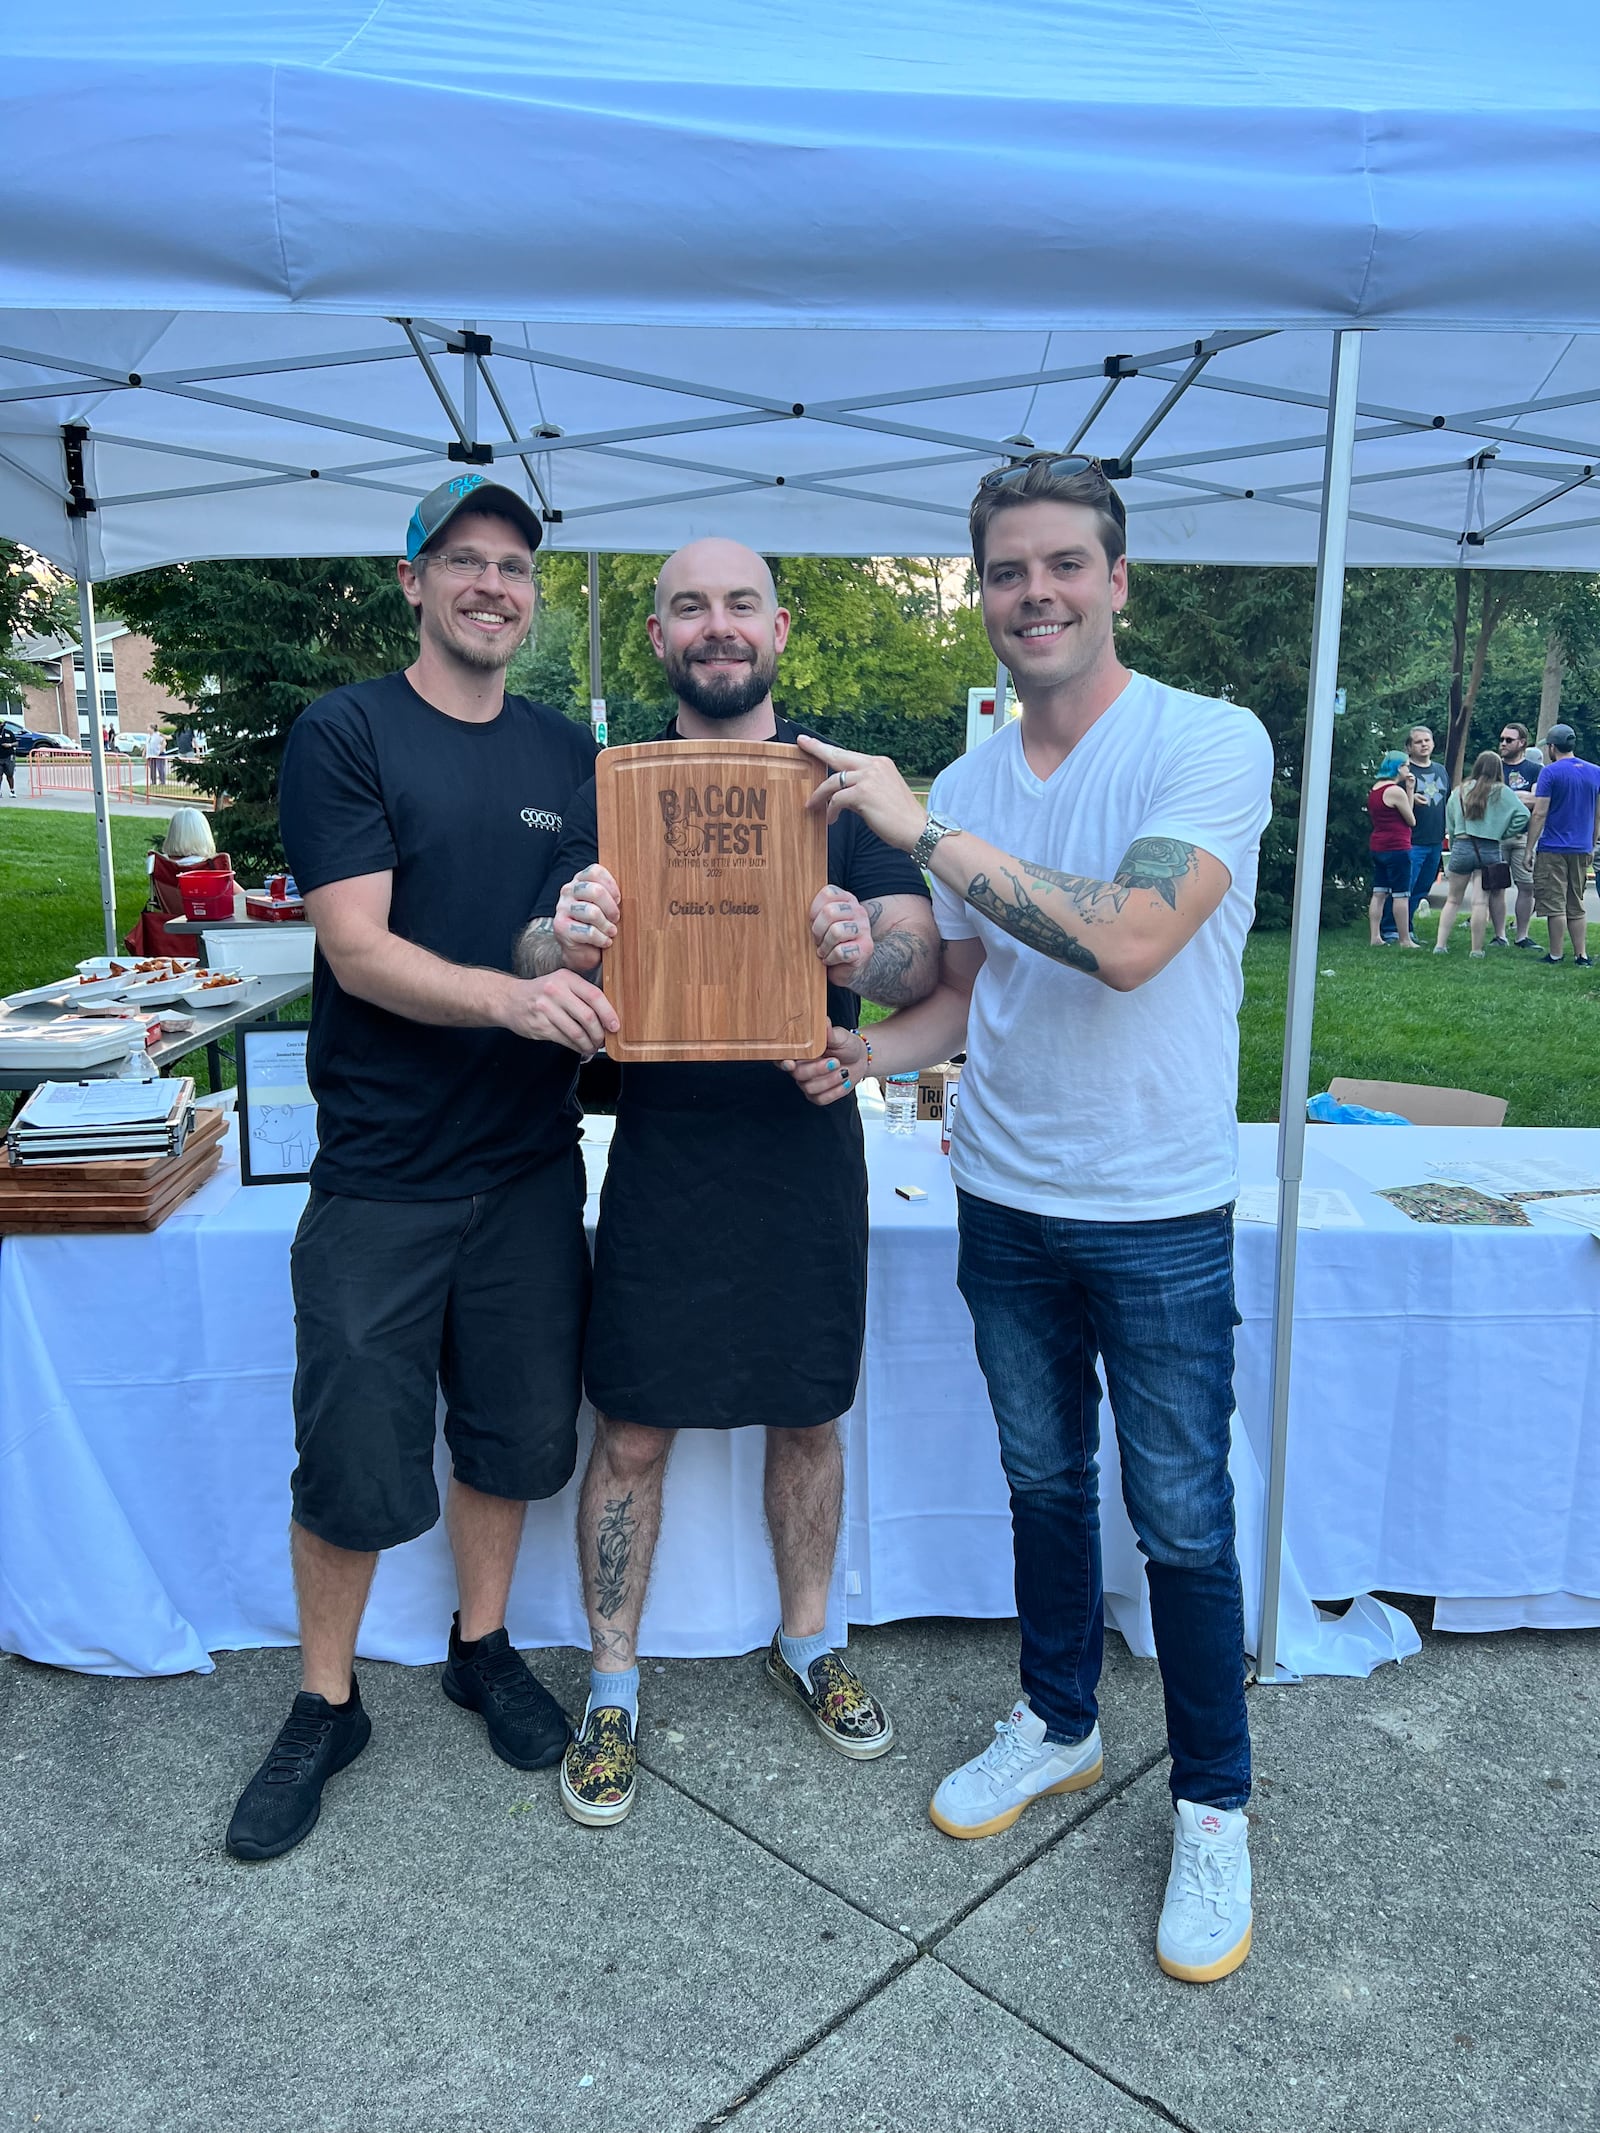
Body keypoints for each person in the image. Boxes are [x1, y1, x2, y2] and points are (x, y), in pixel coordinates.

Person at [784, 454, 1273, 1985]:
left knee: (1182, 1517)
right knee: (1046, 1484)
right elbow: (966, 992)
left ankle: (1212, 1803)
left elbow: (1127, 940)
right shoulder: (988, 777)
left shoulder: (1209, 739)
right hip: (1005, 1195)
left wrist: (919, 835)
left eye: (1066, 564)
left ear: (1118, 581)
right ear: (982, 594)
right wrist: (869, 1041)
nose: (1037, 594)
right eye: (1008, 571)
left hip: (1158, 1207)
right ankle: (1058, 1719)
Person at [225, 474, 618, 1863]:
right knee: (348, 1456)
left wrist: (571, 949)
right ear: (413, 579)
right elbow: (358, 948)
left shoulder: (568, 753)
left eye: (514, 566)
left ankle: (482, 1642)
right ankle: (325, 1702)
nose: (493, 586)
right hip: (382, 1176)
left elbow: (553, 941)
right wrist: (517, 1001)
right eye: (466, 560)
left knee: (514, 1435)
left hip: (524, 1168)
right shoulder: (347, 732)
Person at [519, 538, 939, 1829]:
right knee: (636, 1426)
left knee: (808, 1415)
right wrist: (566, 929)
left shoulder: (838, 789)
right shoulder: (622, 789)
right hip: (662, 1152)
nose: (717, 625)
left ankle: (810, 1641)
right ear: (657, 638)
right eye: (689, 606)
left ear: (781, 626)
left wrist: (865, 948)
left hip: (804, 1147)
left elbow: (916, 959)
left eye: (739, 603)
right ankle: (613, 1684)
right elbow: (537, 947)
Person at [1435, 752, 1529, 957]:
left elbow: (1449, 822)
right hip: (1489, 848)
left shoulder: (1459, 791)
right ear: (1498, 770)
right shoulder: (1502, 792)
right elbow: (1524, 815)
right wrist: (1504, 832)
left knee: (1452, 900)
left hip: (1462, 845)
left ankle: (1440, 945)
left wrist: (1454, 838)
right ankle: (1476, 949)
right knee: (1480, 902)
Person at [1525, 723, 1600, 967]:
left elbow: (1540, 813)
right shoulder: (1595, 771)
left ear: (1551, 747)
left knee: (1554, 903)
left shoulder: (1550, 772)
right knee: (1575, 902)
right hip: (1581, 847)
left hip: (1553, 847)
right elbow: (1598, 814)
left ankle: (1556, 954)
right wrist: (1591, 844)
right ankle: (1582, 955)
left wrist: (1529, 848)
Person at [1381, 723, 1450, 940]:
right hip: (1412, 840)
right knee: (1404, 887)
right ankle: (1390, 929)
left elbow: (1445, 801)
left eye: (1426, 740)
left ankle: (1406, 928)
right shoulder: (1404, 773)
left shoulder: (1440, 770)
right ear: (1409, 747)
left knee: (1421, 888)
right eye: (1418, 742)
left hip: (1435, 840)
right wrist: (1411, 801)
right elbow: (1391, 802)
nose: (1423, 745)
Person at [1495, 722, 1543, 947]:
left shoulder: (1534, 770)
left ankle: (1522, 935)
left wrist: (1508, 797)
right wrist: (1521, 797)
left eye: (1508, 740)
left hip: (1523, 836)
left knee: (1527, 886)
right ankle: (1500, 935)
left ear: (1522, 743)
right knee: (1496, 886)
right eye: (1502, 739)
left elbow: (1538, 802)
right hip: (1496, 835)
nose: (1503, 743)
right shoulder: (1494, 767)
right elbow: (1487, 799)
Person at [1366, 752, 1421, 948]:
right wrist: (1409, 790)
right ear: (1398, 768)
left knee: (1379, 892)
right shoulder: (1394, 791)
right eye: (1406, 765)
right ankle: (1405, 939)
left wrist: (1410, 789)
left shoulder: (1375, 789)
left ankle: (1375, 936)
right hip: (1397, 846)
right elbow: (1411, 819)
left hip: (1378, 845)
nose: (1409, 769)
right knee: (1401, 894)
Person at [0, 722, 15, 796]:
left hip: (8, 756)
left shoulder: (9, 733)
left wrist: (10, 745)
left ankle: (12, 791)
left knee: (10, 774)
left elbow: (16, 743)